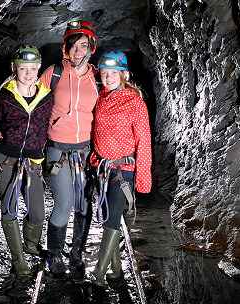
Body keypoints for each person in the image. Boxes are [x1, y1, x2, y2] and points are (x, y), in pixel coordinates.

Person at [0, 44, 54, 278]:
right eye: (23, 68)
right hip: (6, 158)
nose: (28, 73)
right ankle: (19, 260)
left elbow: (54, 124)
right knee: (9, 208)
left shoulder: (47, 97)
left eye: (32, 69)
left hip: (33, 160)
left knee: (37, 212)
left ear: (38, 69)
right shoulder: (5, 96)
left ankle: (30, 245)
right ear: (14, 68)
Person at [39, 20, 99, 281]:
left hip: (86, 151)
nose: (78, 51)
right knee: (63, 204)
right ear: (66, 48)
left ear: (91, 48)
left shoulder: (98, 78)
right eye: (73, 46)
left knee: (84, 204)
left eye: (83, 46)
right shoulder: (52, 74)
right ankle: (54, 254)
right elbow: (32, 104)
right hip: (57, 149)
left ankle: (76, 252)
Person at [89, 50, 152, 289]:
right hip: (103, 169)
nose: (108, 78)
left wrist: (143, 179)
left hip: (123, 170)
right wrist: (95, 157)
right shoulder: (101, 97)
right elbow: (97, 131)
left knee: (113, 219)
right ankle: (115, 272)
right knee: (109, 218)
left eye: (113, 73)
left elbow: (144, 141)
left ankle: (97, 274)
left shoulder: (134, 101)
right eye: (104, 74)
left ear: (123, 74)